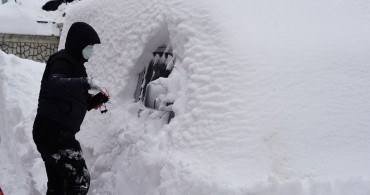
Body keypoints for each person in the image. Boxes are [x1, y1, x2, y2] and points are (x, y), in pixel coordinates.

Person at [33, 22, 108, 195]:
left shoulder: (74, 64)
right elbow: (54, 83)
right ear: (79, 43)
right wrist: (86, 82)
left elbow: (68, 98)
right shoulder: (63, 60)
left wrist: (91, 101)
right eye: (89, 45)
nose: (91, 50)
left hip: (50, 132)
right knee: (80, 180)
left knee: (59, 186)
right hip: (54, 134)